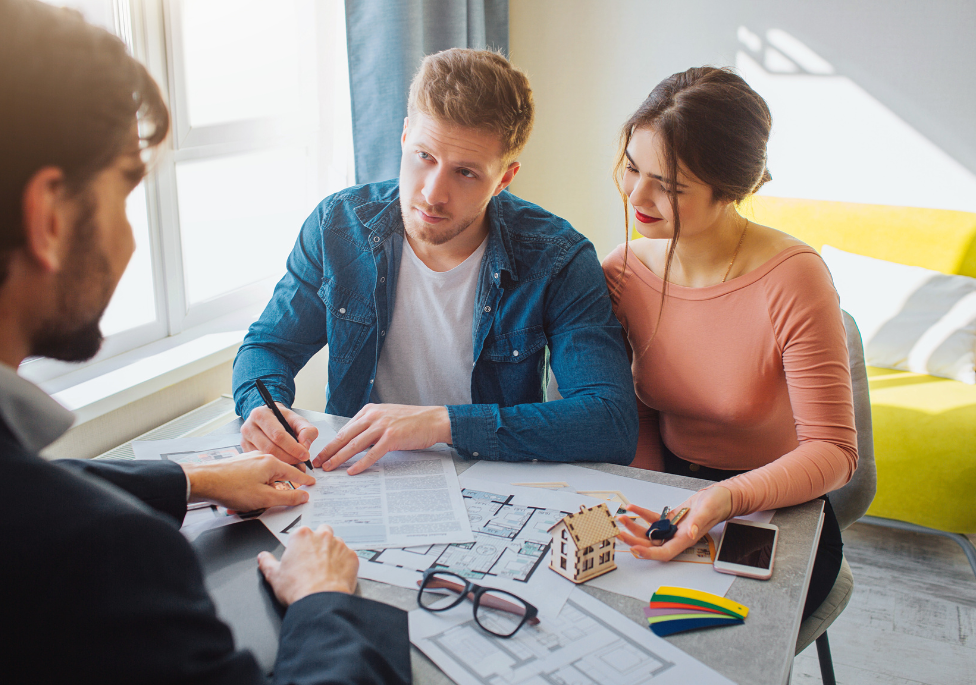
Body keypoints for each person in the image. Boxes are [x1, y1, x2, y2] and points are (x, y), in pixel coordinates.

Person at [0, 2, 411, 682]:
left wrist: (193, 478)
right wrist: (323, 601)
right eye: (126, 193)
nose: (132, 238)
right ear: (48, 217)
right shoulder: (108, 555)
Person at [233, 48, 637, 474]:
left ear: (505, 178)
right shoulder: (337, 226)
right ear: (405, 136)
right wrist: (264, 407)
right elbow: (268, 346)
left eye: (465, 173)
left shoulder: (557, 256)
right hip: (362, 475)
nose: (432, 193)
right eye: (424, 156)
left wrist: (441, 424)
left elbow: (610, 421)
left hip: (493, 478)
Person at [602, 67, 858, 619]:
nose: (637, 196)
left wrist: (723, 500)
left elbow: (835, 453)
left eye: (668, 186)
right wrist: (655, 493)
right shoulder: (622, 274)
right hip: (670, 485)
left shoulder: (794, 276)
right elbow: (640, 408)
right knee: (613, 624)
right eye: (631, 167)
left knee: (703, 640)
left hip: (778, 503)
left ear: (731, 190)